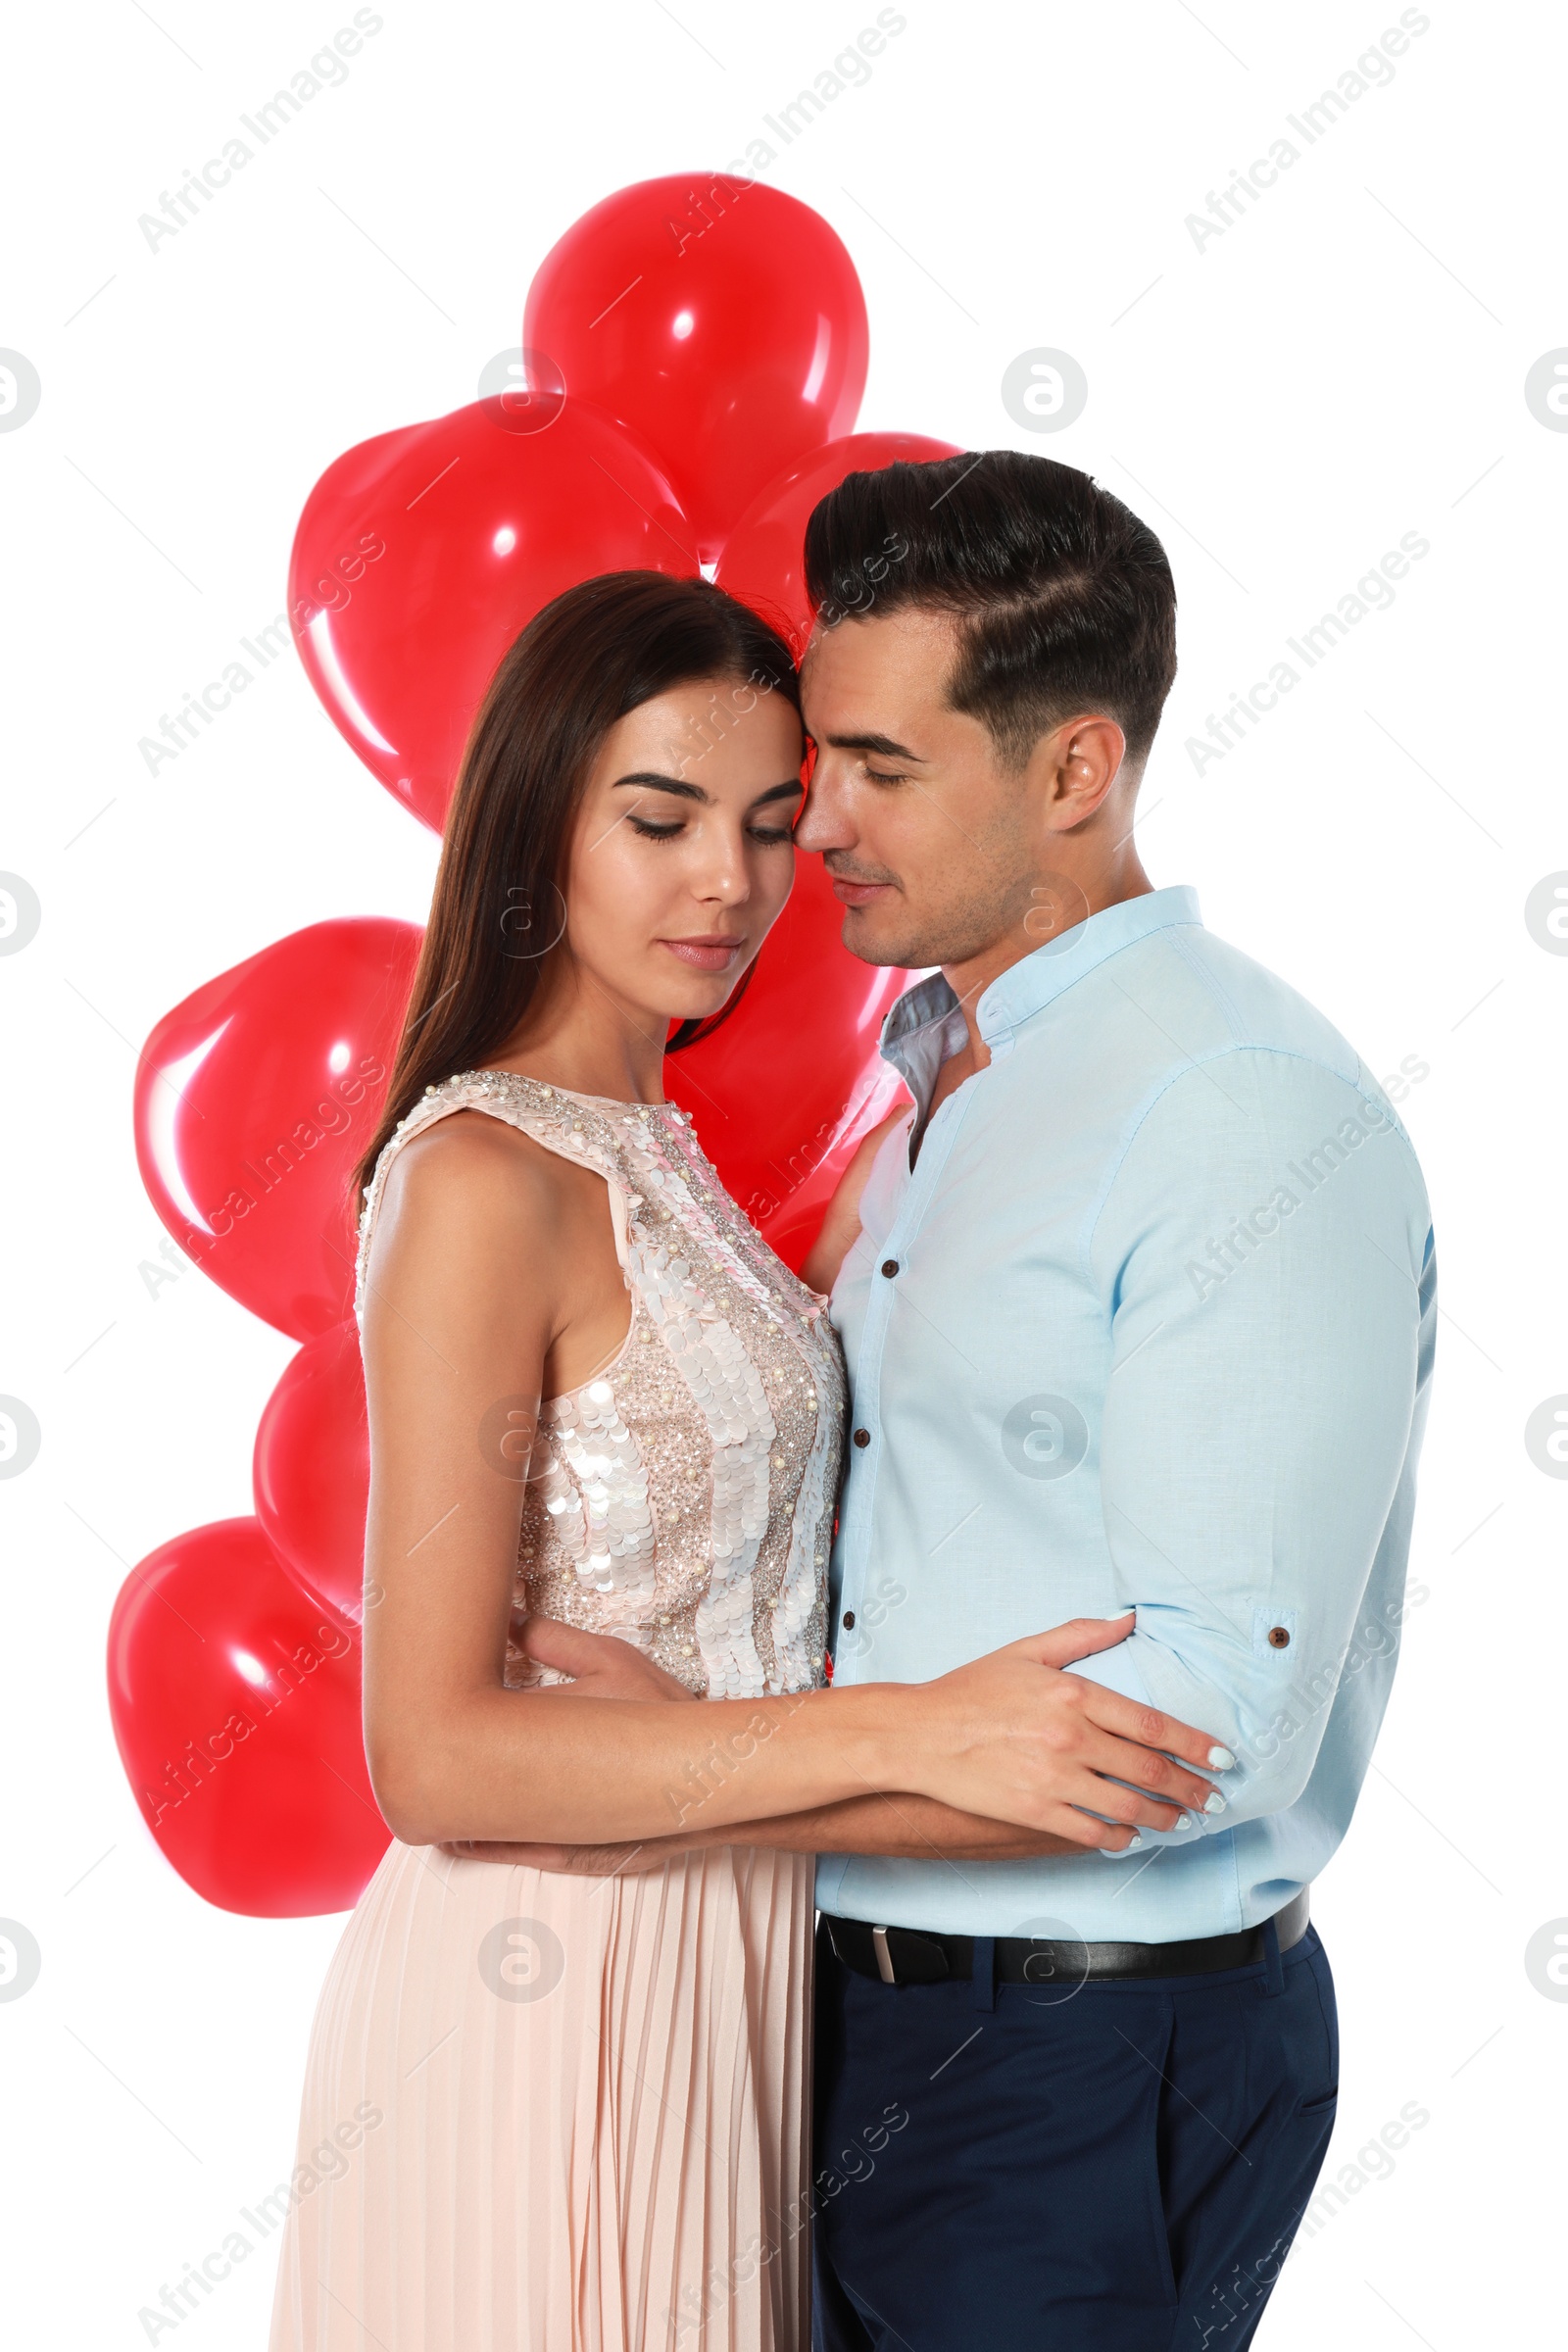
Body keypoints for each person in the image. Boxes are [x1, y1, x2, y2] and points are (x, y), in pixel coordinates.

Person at [498, 457, 1435, 2351]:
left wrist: (699, 1792)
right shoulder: (951, 1079)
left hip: (1079, 2045)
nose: (810, 827)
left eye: (881, 769)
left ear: (1076, 772)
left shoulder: (1235, 1110)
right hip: (855, 2010)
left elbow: (1204, 1728)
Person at [267, 567, 1232, 2352]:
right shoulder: (486, 1175)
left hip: (727, 1965)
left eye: (773, 826)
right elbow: (432, 1754)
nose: (729, 880)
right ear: (535, 816)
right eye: (660, 819)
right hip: (543, 1995)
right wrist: (915, 1731)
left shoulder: (661, 1146)